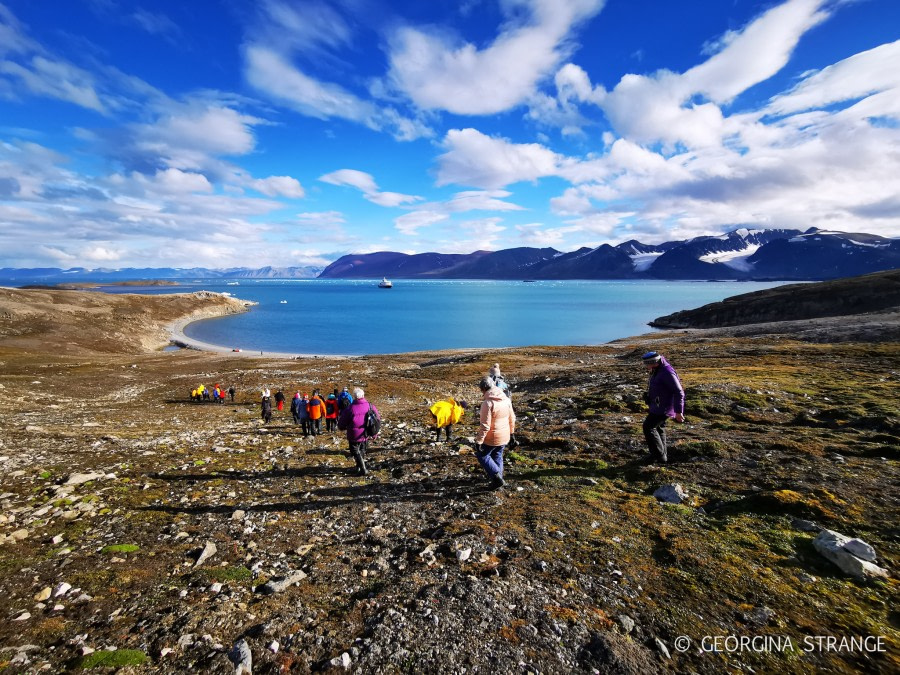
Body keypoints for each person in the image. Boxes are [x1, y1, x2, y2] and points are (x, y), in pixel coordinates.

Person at [640, 351, 685, 464]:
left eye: (647, 364)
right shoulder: (658, 369)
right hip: (658, 405)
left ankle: (658, 456)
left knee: (648, 427)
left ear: (654, 362)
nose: (645, 366)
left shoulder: (667, 372)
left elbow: (679, 391)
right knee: (659, 428)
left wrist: (679, 412)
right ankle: (662, 456)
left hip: (664, 407)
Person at [474, 376, 516, 489]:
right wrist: (512, 434)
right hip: (505, 435)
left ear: (483, 389)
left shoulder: (487, 404)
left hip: (492, 437)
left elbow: (485, 425)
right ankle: (498, 477)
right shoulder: (506, 399)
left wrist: (479, 441)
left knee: (482, 455)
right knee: (497, 454)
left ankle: (497, 478)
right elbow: (512, 418)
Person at [338, 387, 380, 476]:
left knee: (355, 451)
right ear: (363, 395)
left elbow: (342, 422)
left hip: (354, 435)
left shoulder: (350, 408)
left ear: (354, 397)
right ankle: (359, 467)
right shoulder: (370, 406)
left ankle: (363, 469)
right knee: (362, 449)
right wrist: (374, 432)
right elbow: (377, 419)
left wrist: (341, 427)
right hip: (366, 433)